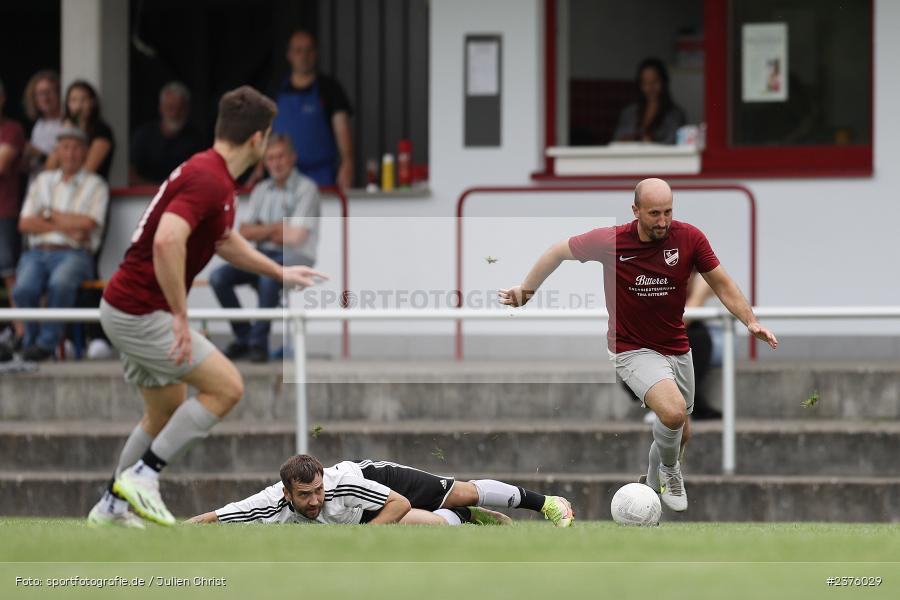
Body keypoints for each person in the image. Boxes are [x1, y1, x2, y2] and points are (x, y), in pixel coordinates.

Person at [86, 86, 327, 529]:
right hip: (142, 311)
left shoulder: (215, 176)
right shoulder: (209, 178)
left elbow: (222, 239)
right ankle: (143, 477)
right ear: (257, 139)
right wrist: (180, 316)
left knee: (164, 409)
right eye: (269, 135)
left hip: (125, 306)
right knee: (227, 387)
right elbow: (167, 240)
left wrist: (279, 272)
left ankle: (112, 505)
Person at [499, 178, 777, 513]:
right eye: (654, 213)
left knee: (681, 430)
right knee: (673, 413)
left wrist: (750, 320)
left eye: (668, 212)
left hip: (676, 347)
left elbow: (722, 283)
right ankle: (671, 471)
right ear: (636, 211)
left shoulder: (690, 237)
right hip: (630, 349)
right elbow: (558, 251)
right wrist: (526, 291)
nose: (663, 221)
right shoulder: (610, 241)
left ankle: (648, 485)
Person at [187, 454, 574, 527]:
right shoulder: (269, 505)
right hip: (363, 513)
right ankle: (470, 520)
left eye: (318, 491)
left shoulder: (342, 485)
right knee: (441, 527)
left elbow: (399, 503)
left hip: (385, 485)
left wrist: (363, 539)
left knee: (462, 493)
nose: (314, 500)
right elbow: (220, 516)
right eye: (304, 495)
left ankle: (547, 504)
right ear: (286, 494)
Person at [210, 133, 320, 362]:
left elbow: (297, 237)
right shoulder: (260, 190)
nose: (276, 163)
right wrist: (278, 229)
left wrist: (264, 230)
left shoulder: (307, 188)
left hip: (295, 258)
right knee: (218, 277)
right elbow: (244, 231)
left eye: (280, 156)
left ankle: (258, 345)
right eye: (270, 158)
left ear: (293, 158)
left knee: (269, 276)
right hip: (262, 254)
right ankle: (245, 338)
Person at [13, 127, 108, 362]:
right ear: (56, 151)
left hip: (74, 254)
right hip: (37, 252)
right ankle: (31, 343)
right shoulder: (41, 181)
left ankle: (46, 344)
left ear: (85, 152)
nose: (70, 153)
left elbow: (87, 225)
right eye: (65, 147)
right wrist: (67, 225)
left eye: (76, 147)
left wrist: (48, 215)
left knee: (60, 284)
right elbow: (24, 223)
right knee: (23, 288)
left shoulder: (96, 184)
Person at [270, 29, 354, 188]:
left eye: (309, 50)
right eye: (298, 51)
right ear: (289, 55)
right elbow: (265, 133)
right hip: (282, 177)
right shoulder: (276, 89)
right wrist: (259, 168)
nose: (304, 56)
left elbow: (343, 130)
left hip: (321, 177)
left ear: (316, 53)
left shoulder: (330, 89)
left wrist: (347, 163)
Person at [129, 81, 202, 185]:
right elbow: (129, 173)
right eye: (170, 108)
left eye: (180, 109)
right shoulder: (144, 135)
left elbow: (202, 174)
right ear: (161, 108)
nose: (175, 114)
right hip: (145, 197)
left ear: (187, 109)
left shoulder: (195, 139)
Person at [0, 78, 26, 353]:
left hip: (3, 212)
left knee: (10, 274)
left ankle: (21, 332)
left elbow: (2, 164)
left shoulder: (11, 129)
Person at [46, 80, 115, 180]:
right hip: (64, 189)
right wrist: (66, 133)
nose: (78, 106)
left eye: (83, 100)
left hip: (92, 190)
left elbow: (89, 169)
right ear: (68, 104)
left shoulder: (101, 131)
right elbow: (49, 168)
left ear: (92, 103)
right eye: (73, 100)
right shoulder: (66, 129)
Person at [613, 58, 686, 145]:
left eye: (655, 81)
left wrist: (652, 143)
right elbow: (617, 140)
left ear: (663, 82)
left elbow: (673, 144)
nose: (650, 88)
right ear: (640, 85)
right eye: (645, 83)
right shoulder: (629, 113)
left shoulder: (675, 115)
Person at [21, 70, 64, 179]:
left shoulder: (66, 123)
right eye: (40, 94)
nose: (45, 98)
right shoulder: (38, 125)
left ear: (59, 93)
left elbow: (66, 161)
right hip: (36, 187)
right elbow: (32, 166)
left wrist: (37, 153)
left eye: (49, 92)